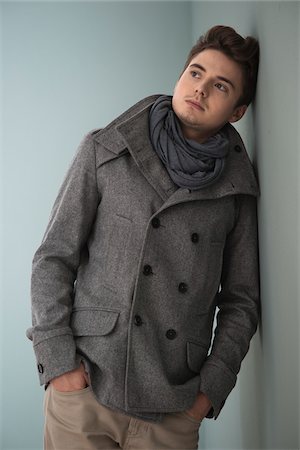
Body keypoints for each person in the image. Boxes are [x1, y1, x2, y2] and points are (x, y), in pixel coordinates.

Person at [27, 25, 260, 450]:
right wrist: (59, 363)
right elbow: (53, 257)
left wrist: (208, 392)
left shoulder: (236, 191)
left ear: (238, 111)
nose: (200, 89)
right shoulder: (106, 150)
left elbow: (241, 300)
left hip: (171, 408)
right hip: (87, 392)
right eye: (195, 73)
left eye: (219, 85)